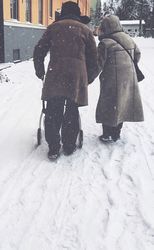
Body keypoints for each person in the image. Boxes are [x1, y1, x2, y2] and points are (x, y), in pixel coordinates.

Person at [33, 1, 99, 160]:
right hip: (76, 78)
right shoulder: (86, 30)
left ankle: (54, 148)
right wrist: (87, 78)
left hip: (55, 74)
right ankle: (69, 145)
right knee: (71, 109)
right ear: (77, 15)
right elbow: (95, 60)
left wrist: (40, 71)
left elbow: (39, 50)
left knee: (53, 110)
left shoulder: (53, 28)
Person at [96, 15, 144, 142]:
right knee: (122, 104)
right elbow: (137, 55)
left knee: (108, 104)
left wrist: (89, 77)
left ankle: (107, 134)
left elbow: (98, 63)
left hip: (111, 78)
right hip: (128, 78)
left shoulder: (105, 43)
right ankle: (116, 133)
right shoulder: (128, 39)